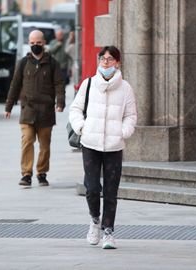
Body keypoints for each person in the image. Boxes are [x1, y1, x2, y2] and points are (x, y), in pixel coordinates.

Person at [69, 46, 137, 249]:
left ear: (117, 62)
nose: (106, 62)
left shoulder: (125, 88)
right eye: (102, 59)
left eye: (110, 59)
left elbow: (131, 115)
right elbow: (75, 109)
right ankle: (94, 221)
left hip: (114, 146)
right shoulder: (88, 84)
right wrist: (82, 127)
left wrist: (123, 132)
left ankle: (109, 231)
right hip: (90, 143)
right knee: (91, 188)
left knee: (110, 190)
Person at [5, 30, 65, 187]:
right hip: (28, 110)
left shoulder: (53, 63)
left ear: (44, 43)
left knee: (45, 145)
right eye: (32, 43)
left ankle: (42, 172)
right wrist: (8, 106)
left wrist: (60, 103)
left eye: (38, 43)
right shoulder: (23, 63)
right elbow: (15, 84)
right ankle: (26, 174)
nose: (35, 46)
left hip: (46, 111)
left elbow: (59, 84)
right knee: (27, 140)